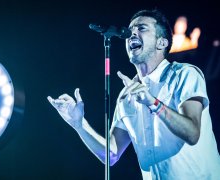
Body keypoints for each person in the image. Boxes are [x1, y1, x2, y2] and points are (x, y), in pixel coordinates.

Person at [47, 9, 220, 179]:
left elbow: (192, 133)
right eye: (130, 30)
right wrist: (79, 124)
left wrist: (153, 103)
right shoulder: (126, 95)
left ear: (162, 42)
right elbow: (111, 155)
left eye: (142, 28)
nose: (132, 33)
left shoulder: (184, 74)